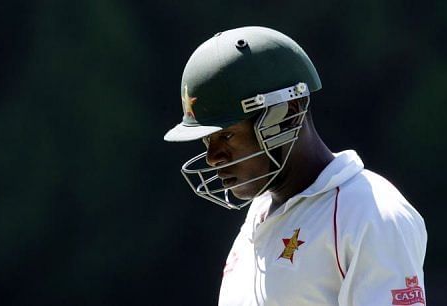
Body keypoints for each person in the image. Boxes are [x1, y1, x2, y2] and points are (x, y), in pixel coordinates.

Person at [164, 26, 427, 306]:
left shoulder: (371, 213)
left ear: (288, 114)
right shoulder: (259, 213)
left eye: (227, 135)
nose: (212, 157)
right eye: (207, 141)